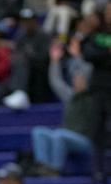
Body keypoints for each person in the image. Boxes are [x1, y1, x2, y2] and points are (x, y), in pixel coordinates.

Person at [30, 44, 98, 176]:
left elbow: (88, 69)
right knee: (39, 132)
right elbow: (55, 81)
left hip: (86, 140)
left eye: (80, 78)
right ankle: (42, 165)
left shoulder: (94, 98)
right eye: (75, 78)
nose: (76, 80)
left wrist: (77, 56)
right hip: (68, 136)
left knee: (60, 134)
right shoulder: (70, 96)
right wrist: (55, 62)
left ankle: (55, 170)